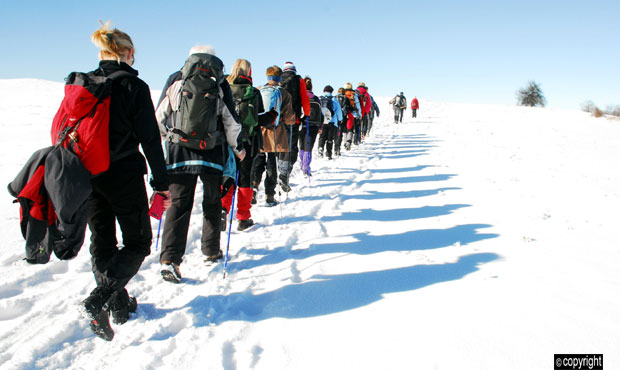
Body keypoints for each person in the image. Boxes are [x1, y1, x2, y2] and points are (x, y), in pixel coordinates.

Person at [79, 21, 171, 341]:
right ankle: (99, 300)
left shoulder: (83, 84)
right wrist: (161, 182)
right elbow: (150, 139)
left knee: (102, 242)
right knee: (137, 241)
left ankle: (119, 306)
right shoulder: (134, 86)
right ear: (128, 53)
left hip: (86, 175)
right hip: (124, 173)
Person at [155, 45, 245, 284]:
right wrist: (238, 148)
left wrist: (168, 139)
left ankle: (170, 260)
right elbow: (230, 121)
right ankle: (211, 249)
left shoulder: (176, 79)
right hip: (211, 152)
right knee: (212, 202)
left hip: (179, 152)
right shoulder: (219, 81)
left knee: (179, 204)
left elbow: (160, 116)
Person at [221, 59, 278, 230]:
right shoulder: (253, 92)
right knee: (245, 178)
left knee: (227, 176)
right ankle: (243, 218)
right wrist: (272, 114)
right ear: (249, 71)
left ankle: (223, 211)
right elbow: (259, 119)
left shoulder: (224, 88)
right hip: (249, 141)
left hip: (226, 141)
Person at [251, 65, 295, 206]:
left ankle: (253, 187)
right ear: (279, 77)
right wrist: (291, 121)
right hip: (275, 130)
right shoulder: (283, 93)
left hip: (258, 130)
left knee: (258, 161)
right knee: (271, 162)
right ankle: (269, 195)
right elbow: (288, 116)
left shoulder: (258, 90)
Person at [276, 62, 310, 192]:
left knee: (280, 146)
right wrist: (306, 114)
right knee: (291, 147)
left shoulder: (278, 78)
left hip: (278, 119)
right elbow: (304, 99)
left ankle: (281, 171)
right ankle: (284, 174)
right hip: (293, 119)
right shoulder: (298, 80)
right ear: (294, 70)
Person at [298, 76, 323, 177]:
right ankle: (306, 167)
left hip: (301, 124)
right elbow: (321, 115)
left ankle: (302, 164)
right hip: (313, 125)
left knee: (302, 146)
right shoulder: (316, 98)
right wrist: (320, 127)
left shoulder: (299, 97)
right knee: (309, 147)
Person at [317, 85, 343, 159]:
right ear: (331, 91)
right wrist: (340, 120)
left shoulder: (320, 98)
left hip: (322, 122)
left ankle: (320, 148)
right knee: (330, 138)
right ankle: (329, 154)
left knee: (322, 137)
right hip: (332, 122)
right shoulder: (334, 99)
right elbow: (338, 111)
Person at [342, 83, 362, 150]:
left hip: (344, 114)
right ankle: (348, 142)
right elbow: (358, 106)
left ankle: (345, 142)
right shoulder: (354, 95)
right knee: (350, 129)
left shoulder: (343, 94)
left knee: (345, 129)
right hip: (353, 114)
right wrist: (359, 114)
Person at [334, 87, 348, 156]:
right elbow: (348, 108)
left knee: (335, 134)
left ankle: (334, 148)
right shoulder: (345, 98)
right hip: (343, 118)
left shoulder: (334, 98)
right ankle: (337, 148)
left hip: (334, 119)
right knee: (340, 134)